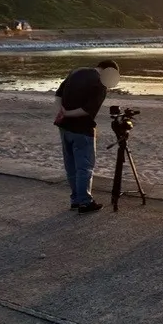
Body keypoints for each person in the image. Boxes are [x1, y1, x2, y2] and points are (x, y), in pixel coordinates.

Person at [54, 60, 120, 214]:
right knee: (84, 167)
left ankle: (75, 199)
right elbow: (87, 110)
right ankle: (85, 202)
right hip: (82, 130)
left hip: (64, 128)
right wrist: (69, 113)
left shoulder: (76, 71)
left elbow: (58, 94)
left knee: (71, 165)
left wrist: (61, 113)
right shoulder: (100, 84)